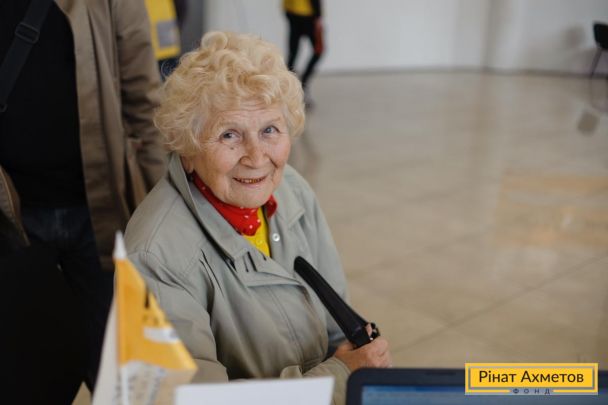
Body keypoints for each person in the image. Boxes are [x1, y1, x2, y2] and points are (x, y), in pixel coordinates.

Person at [124, 31, 391, 405]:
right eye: (229, 135)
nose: (256, 157)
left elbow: (336, 325)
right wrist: (340, 377)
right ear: (187, 148)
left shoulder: (291, 189)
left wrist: (359, 360)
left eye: (269, 130)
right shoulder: (154, 257)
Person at [0, 0, 166, 398]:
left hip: (100, 213)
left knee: (122, 377)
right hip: (10, 219)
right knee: (25, 371)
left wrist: (162, 208)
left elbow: (144, 101)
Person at [283, 0, 324, 104]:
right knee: (318, 50)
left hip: (292, 11)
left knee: (293, 53)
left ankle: (291, 89)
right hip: (306, 14)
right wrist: (318, 16)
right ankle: (300, 86)